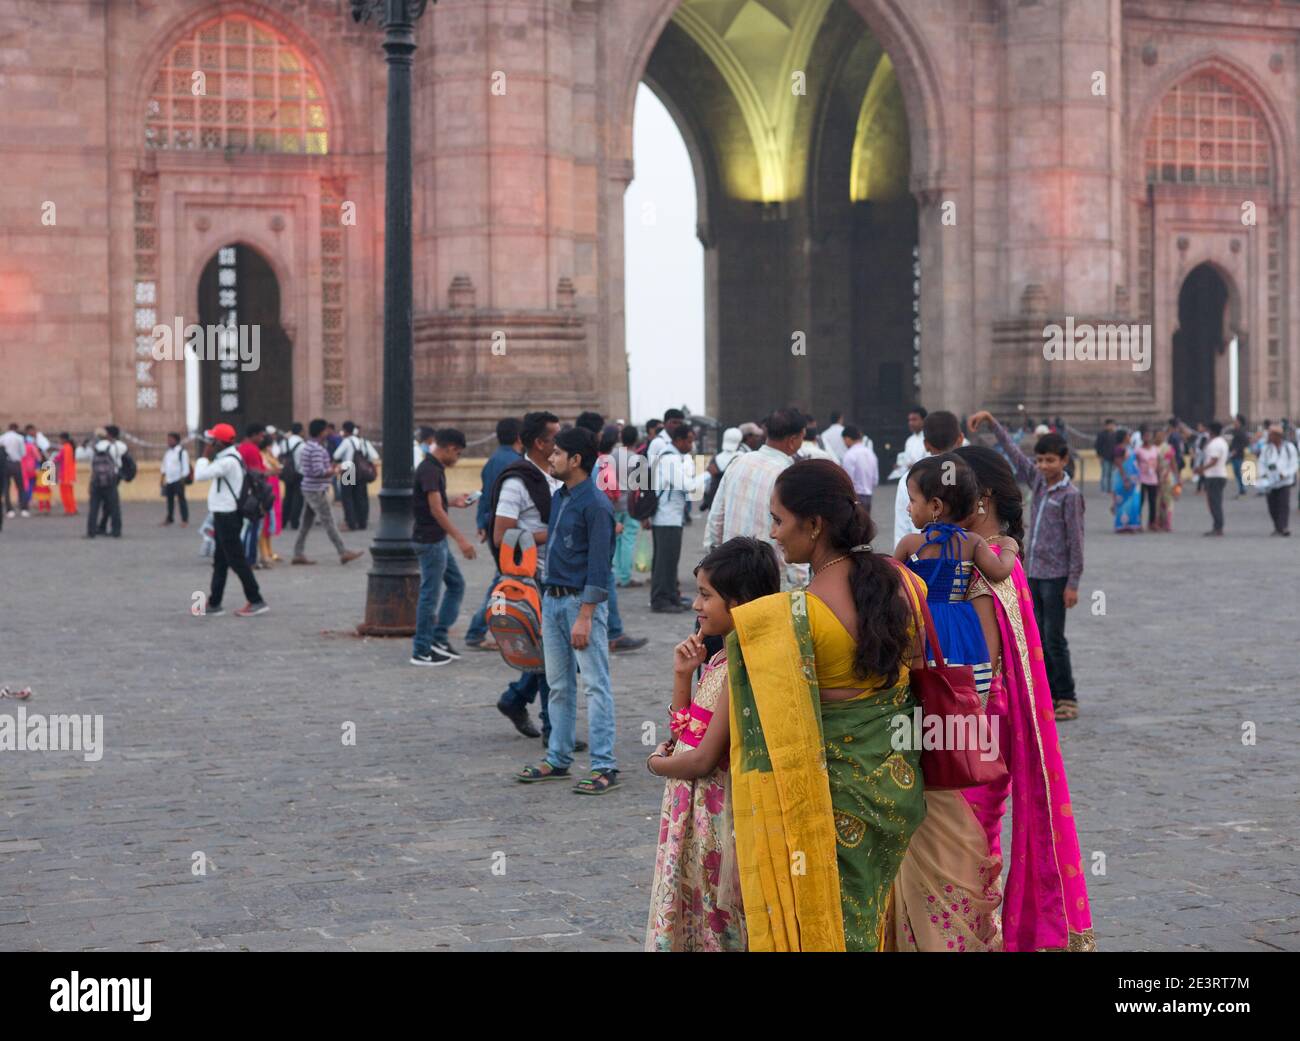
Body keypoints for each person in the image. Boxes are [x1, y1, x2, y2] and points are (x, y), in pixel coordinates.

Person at [888, 445, 1096, 951]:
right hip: (974, 728)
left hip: (963, 730)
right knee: (967, 856)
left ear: (974, 499)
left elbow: (978, 672)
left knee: (954, 861)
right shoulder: (991, 561)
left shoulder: (981, 572)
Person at [727, 459, 926, 950]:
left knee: (837, 926)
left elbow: (766, 734)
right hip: (897, 785)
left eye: (778, 519)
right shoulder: (907, 584)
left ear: (814, 525)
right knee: (870, 910)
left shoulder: (790, 617)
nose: (773, 533)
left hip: (833, 801)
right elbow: (917, 677)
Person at [644, 537, 780, 951]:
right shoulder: (721, 658)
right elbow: (687, 733)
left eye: (705, 596)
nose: (695, 606)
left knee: (718, 928)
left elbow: (701, 758)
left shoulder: (743, 665)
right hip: (699, 818)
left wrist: (655, 764)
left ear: (739, 603)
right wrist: (683, 676)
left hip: (718, 825)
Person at [515, 426, 618, 794]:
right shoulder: (560, 497)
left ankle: (604, 765)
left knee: (595, 686)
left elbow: (599, 567)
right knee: (557, 685)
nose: (551, 457)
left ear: (576, 460)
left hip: (579, 603)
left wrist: (586, 615)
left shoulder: (597, 505)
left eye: (558, 453)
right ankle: (558, 757)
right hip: (553, 600)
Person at [969, 411, 1085, 721]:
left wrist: (1073, 583)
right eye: (1040, 460)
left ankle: (1067, 696)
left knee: (1054, 638)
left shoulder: (1071, 496)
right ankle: (1047, 695)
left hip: (1057, 577)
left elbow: (1076, 541)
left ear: (1064, 461)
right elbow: (1015, 455)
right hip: (1033, 574)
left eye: (1050, 460)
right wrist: (993, 424)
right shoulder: (1037, 483)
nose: (1043, 466)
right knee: (1038, 638)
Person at [894, 454, 1016, 705]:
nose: (908, 507)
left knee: (920, 693)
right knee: (960, 694)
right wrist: (1009, 546)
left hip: (920, 625)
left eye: (912, 500)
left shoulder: (910, 544)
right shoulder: (972, 543)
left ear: (936, 506)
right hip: (961, 630)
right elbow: (1000, 571)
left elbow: (891, 584)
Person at [492, 411, 563, 741]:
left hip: (558, 574)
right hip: (532, 577)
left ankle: (515, 698)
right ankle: (554, 730)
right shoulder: (516, 481)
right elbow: (501, 534)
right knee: (552, 654)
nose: (559, 443)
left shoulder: (553, 475)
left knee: (551, 653)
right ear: (539, 442)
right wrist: (552, 535)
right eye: (554, 438)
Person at [703, 407, 808, 590]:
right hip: (770, 579)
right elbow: (795, 532)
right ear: (792, 440)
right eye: (802, 437)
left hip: (731, 571)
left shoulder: (738, 463)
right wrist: (799, 582)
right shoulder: (789, 476)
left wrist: (716, 557)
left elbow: (716, 519)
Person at [410, 428, 476, 665]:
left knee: (456, 585)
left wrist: (453, 502)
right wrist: (461, 539)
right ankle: (421, 649)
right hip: (430, 541)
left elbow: (434, 502)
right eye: (457, 453)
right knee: (430, 595)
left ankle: (438, 636)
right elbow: (435, 510)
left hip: (435, 540)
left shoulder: (433, 468)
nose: (456, 459)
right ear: (449, 448)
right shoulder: (429, 469)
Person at [192, 423, 268, 617]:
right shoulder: (227, 458)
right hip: (223, 514)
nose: (209, 443)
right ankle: (214, 601)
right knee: (220, 561)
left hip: (228, 515)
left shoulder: (227, 462)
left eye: (212, 440)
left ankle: (256, 599)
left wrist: (203, 456)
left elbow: (200, 475)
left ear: (219, 443)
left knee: (237, 560)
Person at [463, 417, 523, 651]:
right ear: (520, 438)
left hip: (493, 526)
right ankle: (480, 628)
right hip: (509, 530)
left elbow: (485, 494)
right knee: (503, 582)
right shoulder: (516, 463)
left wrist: (481, 522)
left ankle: (494, 626)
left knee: (504, 578)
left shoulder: (493, 461)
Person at [650, 423, 707, 613]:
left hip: (672, 516)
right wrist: (707, 473)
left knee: (670, 560)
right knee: (664, 561)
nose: (692, 445)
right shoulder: (669, 458)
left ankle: (672, 595)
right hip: (666, 517)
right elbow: (687, 485)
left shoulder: (675, 457)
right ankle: (661, 599)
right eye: (689, 441)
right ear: (679, 440)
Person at [292, 418, 364, 566]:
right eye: (325, 430)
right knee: (329, 521)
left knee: (305, 524)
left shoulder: (308, 446)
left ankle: (298, 553)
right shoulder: (317, 449)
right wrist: (336, 470)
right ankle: (342, 551)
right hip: (318, 488)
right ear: (321, 431)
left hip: (310, 487)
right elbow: (319, 471)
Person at [893, 409, 962, 548]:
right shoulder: (970, 474)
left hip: (922, 558)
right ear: (960, 439)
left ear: (925, 444)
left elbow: (901, 531)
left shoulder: (909, 478)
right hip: (965, 556)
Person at [611, 423, 643, 587]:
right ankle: (625, 576)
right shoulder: (637, 459)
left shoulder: (612, 455)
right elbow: (641, 486)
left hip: (613, 502)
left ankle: (615, 574)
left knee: (615, 539)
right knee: (629, 539)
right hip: (630, 505)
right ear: (636, 439)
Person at [334, 421, 379, 530]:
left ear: (345, 430)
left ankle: (351, 523)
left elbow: (336, 455)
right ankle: (362, 522)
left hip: (348, 470)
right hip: (362, 472)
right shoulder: (363, 441)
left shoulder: (346, 441)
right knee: (361, 497)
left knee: (347, 498)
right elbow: (374, 456)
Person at [1258, 424, 1298, 536]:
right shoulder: (1266, 449)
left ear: (1278, 436)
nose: (1269, 437)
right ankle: (1277, 527)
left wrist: (1285, 474)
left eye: (1271, 435)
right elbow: (1261, 463)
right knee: (1272, 506)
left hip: (1284, 481)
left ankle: (1284, 527)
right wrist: (1263, 474)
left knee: (1283, 505)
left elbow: (1294, 464)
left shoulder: (1289, 447)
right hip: (1270, 482)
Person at [85, 427, 122, 539]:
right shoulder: (114, 446)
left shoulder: (92, 447)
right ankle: (116, 531)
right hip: (111, 481)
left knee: (94, 508)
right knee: (114, 507)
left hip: (96, 481)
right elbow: (118, 463)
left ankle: (91, 532)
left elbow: (82, 456)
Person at [1194, 421, 1229, 536]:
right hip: (1219, 474)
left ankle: (1218, 527)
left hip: (1214, 476)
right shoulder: (1222, 442)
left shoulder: (1215, 444)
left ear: (1211, 431)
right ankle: (1217, 526)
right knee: (1215, 502)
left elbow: (1214, 461)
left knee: (1214, 503)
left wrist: (1201, 469)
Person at [700, 426, 741, 514]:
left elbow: (707, 483)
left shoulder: (715, 458)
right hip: (733, 500)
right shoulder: (742, 457)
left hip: (715, 499)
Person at [840, 424, 879, 514]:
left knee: (855, 525)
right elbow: (875, 480)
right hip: (868, 496)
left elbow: (847, 480)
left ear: (847, 439)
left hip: (854, 497)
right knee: (865, 525)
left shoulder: (849, 455)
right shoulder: (870, 453)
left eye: (844, 440)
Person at [258, 430, 283, 564]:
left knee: (271, 521)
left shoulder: (268, 454)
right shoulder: (261, 456)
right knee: (265, 521)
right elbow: (275, 467)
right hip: (266, 490)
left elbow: (278, 466)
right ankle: (264, 552)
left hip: (273, 491)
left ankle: (270, 550)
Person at [1111, 430, 1143, 533]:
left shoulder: (1129, 448)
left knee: (1133, 502)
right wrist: (1125, 479)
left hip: (1133, 480)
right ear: (1124, 437)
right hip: (1123, 480)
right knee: (1122, 502)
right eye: (1128, 436)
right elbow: (1119, 464)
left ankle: (1131, 524)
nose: (1130, 437)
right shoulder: (1119, 449)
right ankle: (1121, 525)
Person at [888, 406, 927, 483]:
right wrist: (900, 466)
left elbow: (931, 461)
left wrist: (915, 466)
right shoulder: (909, 440)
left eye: (914, 420)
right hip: (910, 480)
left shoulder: (929, 437)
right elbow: (906, 459)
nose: (910, 423)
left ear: (924, 420)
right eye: (909, 420)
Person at [159, 432, 191, 526]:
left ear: (176, 440)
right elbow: (164, 466)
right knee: (169, 501)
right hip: (169, 480)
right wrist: (162, 478)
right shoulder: (168, 452)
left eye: (171, 439)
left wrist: (182, 479)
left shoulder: (182, 452)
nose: (168, 441)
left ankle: (184, 520)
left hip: (179, 480)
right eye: (168, 439)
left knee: (181, 500)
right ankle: (170, 518)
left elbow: (186, 467)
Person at [1153, 428, 1179, 532]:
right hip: (1153, 477)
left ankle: (1167, 523)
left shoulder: (1167, 448)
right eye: (1159, 435)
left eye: (1162, 435)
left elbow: (1173, 463)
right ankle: (1158, 522)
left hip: (1167, 476)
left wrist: (1177, 477)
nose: (1161, 437)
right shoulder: (1152, 448)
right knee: (1157, 501)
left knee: (1168, 500)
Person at [1134, 425, 1160, 530]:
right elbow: (1134, 463)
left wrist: (1159, 477)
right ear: (1142, 437)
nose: (1147, 437)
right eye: (1145, 436)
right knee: (1140, 501)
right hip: (1141, 478)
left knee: (1153, 502)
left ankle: (1152, 522)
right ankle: (1138, 522)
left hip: (1153, 478)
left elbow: (1158, 464)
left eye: (1149, 435)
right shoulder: (1138, 450)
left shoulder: (1155, 449)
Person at [281, 422, 306, 530]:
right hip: (299, 473)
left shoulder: (284, 442)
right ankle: (294, 522)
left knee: (287, 496)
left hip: (287, 472)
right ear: (300, 431)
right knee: (298, 498)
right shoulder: (302, 444)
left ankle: (283, 520)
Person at [1, 422, 27, 517]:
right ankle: (23, 509)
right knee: (20, 487)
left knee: (6, 488)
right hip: (16, 464)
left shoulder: (3, 438)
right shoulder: (19, 438)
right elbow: (23, 453)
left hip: (5, 464)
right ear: (16, 429)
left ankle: (9, 510)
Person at [1094, 418, 1118, 495]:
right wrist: (1099, 456)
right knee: (1105, 474)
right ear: (1106, 426)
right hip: (1105, 457)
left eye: (1113, 425)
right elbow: (1098, 446)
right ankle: (1104, 489)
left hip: (1113, 457)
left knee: (1112, 474)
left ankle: (1111, 489)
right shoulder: (1102, 434)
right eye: (1110, 425)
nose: (1112, 426)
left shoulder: (1115, 434)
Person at [56, 432, 77, 515]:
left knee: (65, 493)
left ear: (63, 439)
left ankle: (69, 509)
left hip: (65, 474)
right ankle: (72, 508)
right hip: (70, 474)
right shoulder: (70, 447)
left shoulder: (65, 448)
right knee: (70, 492)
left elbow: (58, 458)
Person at [1229, 415, 1250, 496]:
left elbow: (1245, 443)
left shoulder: (1241, 431)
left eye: (1236, 421)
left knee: (1238, 471)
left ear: (1239, 422)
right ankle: (1242, 488)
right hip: (1234, 454)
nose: (1234, 422)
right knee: (1236, 471)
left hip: (1238, 455)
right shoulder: (1235, 431)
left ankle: (1242, 489)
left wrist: (1236, 450)